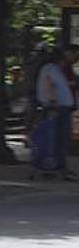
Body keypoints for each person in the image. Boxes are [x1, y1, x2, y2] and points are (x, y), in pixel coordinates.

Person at [34, 45, 78, 178]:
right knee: (57, 137)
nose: (76, 57)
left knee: (60, 137)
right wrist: (53, 101)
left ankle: (59, 165)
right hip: (57, 107)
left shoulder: (59, 70)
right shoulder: (51, 68)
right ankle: (55, 165)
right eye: (74, 54)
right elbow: (50, 84)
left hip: (60, 107)